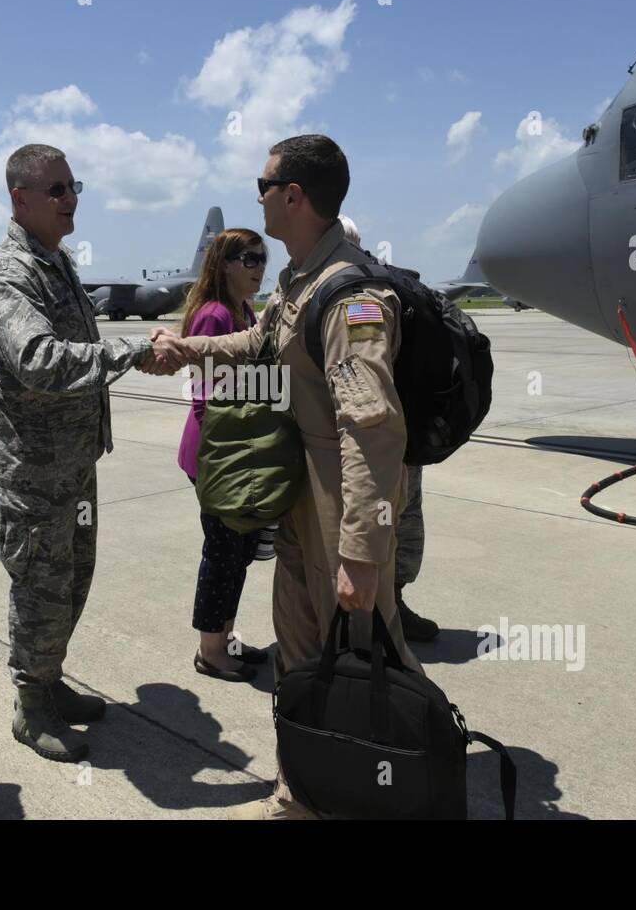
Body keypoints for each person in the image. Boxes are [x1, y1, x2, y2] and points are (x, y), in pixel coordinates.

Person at [152, 134, 423, 819]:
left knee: (367, 656)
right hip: (302, 486)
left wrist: (362, 550)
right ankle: (302, 789)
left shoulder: (352, 293)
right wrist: (187, 347)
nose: (260, 197)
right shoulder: (300, 280)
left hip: (342, 494)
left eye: (264, 186)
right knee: (302, 653)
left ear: (294, 196)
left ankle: (400, 782)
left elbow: (372, 427)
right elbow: (256, 342)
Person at [0, 143, 184, 764]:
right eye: (57, 190)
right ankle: (30, 705)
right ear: (20, 198)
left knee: (71, 582)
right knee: (40, 586)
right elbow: (38, 360)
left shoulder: (55, 262)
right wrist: (131, 352)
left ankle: (51, 680)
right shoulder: (9, 272)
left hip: (73, 464)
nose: (71, 201)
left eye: (74, 187)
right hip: (34, 473)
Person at [177, 229, 273, 682]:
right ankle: (210, 651)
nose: (259, 268)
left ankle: (226, 638)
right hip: (217, 457)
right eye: (250, 259)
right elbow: (203, 398)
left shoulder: (244, 309)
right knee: (221, 552)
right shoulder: (214, 316)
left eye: (262, 259)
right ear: (226, 264)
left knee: (239, 552)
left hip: (239, 453)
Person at [337, 215, 438, 642]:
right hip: (407, 435)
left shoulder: (360, 296)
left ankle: (383, 612)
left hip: (376, 440)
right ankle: (381, 610)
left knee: (383, 525)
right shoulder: (385, 285)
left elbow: (365, 386)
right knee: (399, 520)